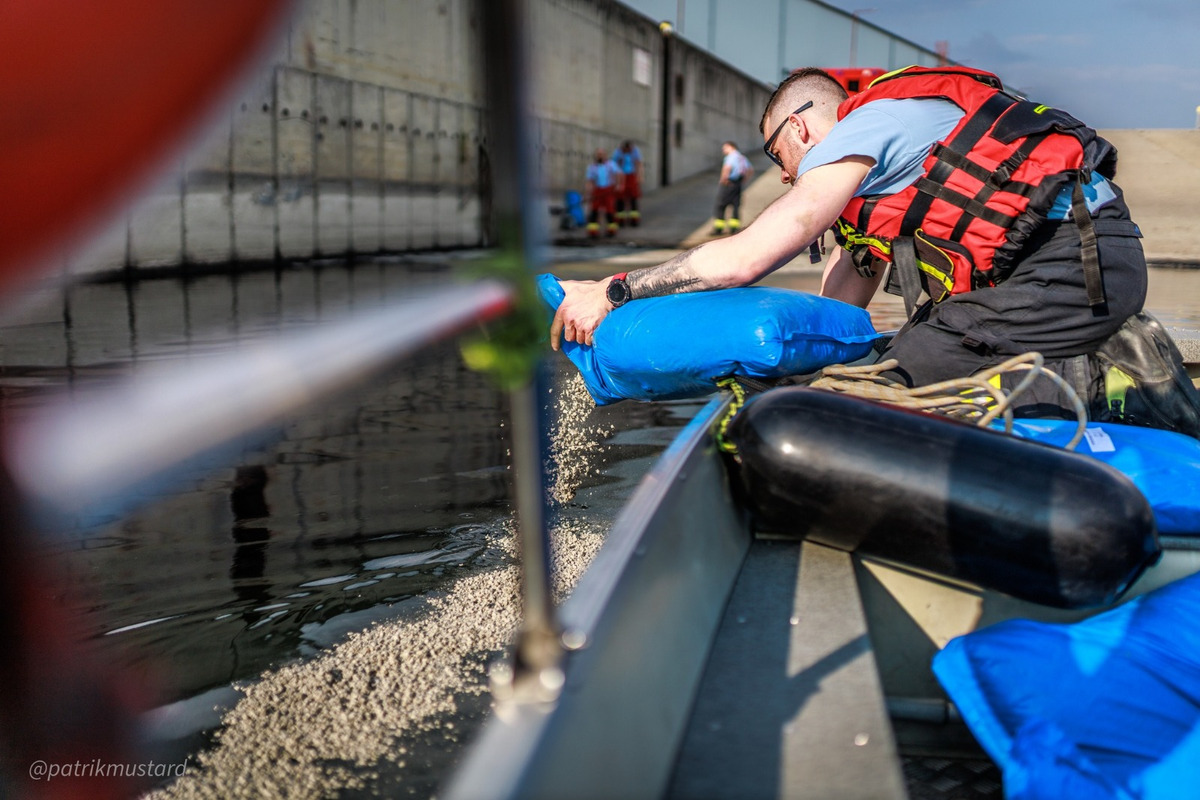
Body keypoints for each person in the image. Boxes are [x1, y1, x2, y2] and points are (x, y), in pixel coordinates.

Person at [551, 65, 1149, 415]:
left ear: (801, 126)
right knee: (867, 366)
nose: (785, 174)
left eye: (778, 154)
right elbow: (837, 317)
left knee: (890, 390)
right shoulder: (874, 190)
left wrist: (616, 291)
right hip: (1049, 278)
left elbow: (744, 260)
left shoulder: (869, 127)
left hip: (1074, 267)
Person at [711, 141, 754, 235]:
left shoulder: (730, 157)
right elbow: (750, 170)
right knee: (735, 205)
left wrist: (723, 179)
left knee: (720, 205)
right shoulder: (742, 157)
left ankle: (719, 228)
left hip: (728, 184)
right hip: (737, 184)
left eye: (725, 148)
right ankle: (734, 228)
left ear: (731, 147)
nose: (723, 150)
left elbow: (727, 168)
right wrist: (744, 180)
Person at [585, 147, 621, 238]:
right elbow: (590, 180)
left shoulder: (611, 165)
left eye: (602, 154)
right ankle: (593, 230)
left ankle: (611, 230)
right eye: (598, 155)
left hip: (608, 189)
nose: (600, 156)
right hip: (597, 190)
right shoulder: (592, 167)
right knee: (594, 210)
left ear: (605, 156)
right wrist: (588, 193)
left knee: (610, 210)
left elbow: (618, 174)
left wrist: (618, 184)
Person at [612, 140, 644, 227]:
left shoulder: (635, 151)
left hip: (631, 176)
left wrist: (640, 176)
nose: (627, 150)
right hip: (621, 176)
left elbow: (639, 163)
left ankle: (634, 219)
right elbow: (614, 164)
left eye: (628, 149)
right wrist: (615, 179)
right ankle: (620, 219)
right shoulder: (618, 152)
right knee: (620, 198)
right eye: (625, 149)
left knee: (633, 198)